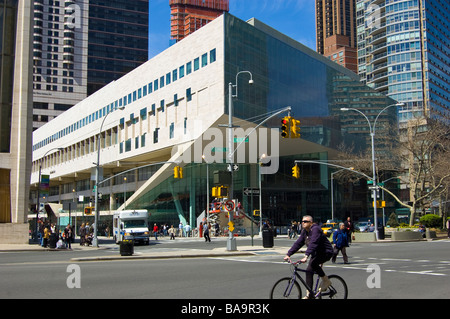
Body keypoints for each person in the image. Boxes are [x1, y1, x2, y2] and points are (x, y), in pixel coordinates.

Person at [284, 215, 333, 298]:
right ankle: (309, 294)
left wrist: (306, 256)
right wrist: (288, 254)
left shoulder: (315, 229)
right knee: (308, 271)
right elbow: (298, 243)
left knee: (313, 264)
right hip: (316, 254)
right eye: (302, 221)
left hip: (326, 252)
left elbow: (313, 243)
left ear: (311, 222)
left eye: (305, 221)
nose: (303, 223)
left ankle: (326, 281)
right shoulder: (304, 231)